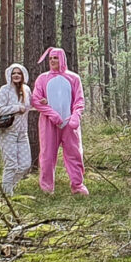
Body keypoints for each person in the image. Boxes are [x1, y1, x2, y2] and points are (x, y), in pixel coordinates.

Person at [31, 47, 88, 195]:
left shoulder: (74, 78)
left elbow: (79, 100)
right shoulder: (42, 78)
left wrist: (75, 116)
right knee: (47, 155)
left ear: (62, 58)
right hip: (49, 124)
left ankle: (77, 185)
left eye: (55, 58)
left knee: (74, 154)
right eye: (50, 59)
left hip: (69, 124)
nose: (52, 61)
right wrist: (52, 114)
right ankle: (47, 188)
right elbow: (36, 100)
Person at [0, 64, 32, 195]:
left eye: (19, 73)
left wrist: (43, 102)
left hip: (22, 134)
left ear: (23, 75)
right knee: (11, 165)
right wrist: (16, 108)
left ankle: (8, 187)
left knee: (25, 165)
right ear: (9, 75)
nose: (16, 75)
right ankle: (6, 195)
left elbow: (31, 105)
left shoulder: (26, 90)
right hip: (7, 133)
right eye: (14, 73)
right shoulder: (4, 90)